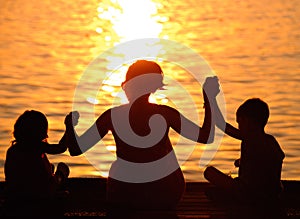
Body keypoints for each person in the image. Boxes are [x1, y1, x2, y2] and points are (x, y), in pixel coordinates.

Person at [64, 60, 218, 212]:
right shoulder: (165, 113)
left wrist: (69, 126)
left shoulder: (112, 116)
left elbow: (76, 150)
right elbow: (205, 137)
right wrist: (209, 99)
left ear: (127, 84)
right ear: (154, 87)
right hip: (165, 195)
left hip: (125, 196)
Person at [204, 90, 286, 216]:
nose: (239, 127)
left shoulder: (250, 138)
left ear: (248, 122)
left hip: (249, 194)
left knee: (209, 172)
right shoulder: (270, 141)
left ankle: (237, 202)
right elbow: (268, 160)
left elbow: (224, 126)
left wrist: (211, 104)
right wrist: (242, 162)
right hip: (272, 195)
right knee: (214, 191)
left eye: (240, 123)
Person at [4, 110, 70, 216]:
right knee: (62, 168)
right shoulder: (37, 146)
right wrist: (68, 128)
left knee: (51, 167)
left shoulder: (12, 150)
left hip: (16, 197)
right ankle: (59, 179)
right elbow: (61, 147)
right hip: (41, 196)